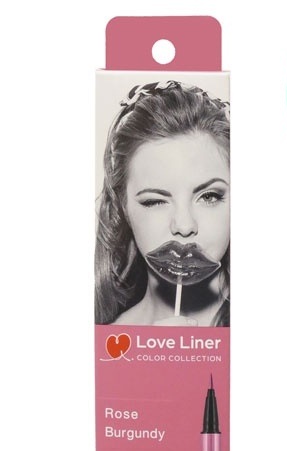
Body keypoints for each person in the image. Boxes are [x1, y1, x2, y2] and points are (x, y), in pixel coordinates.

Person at [95, 80, 230, 327]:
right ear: (123, 208)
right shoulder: (104, 341)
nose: (184, 226)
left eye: (209, 196)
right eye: (155, 201)